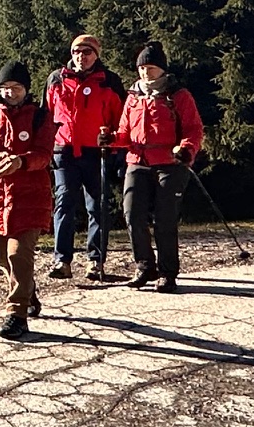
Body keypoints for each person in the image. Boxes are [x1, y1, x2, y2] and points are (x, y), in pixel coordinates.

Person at [99, 41, 205, 293]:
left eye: (151, 67)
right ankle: (145, 266)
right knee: (132, 213)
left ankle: (167, 272)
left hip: (170, 163)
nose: (146, 72)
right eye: (142, 68)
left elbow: (193, 129)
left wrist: (187, 149)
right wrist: (111, 139)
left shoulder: (178, 95)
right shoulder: (133, 96)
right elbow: (125, 132)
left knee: (165, 217)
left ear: (162, 69)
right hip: (137, 161)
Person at [0, 61, 57, 340]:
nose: (10, 92)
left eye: (16, 87)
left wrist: (21, 162)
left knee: (19, 254)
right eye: (5, 87)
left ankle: (17, 314)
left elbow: (44, 154)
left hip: (30, 197)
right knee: (0, 255)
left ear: (26, 89)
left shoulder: (41, 117)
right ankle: (28, 291)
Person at [44, 34, 124, 282]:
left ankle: (95, 261)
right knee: (64, 203)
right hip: (64, 150)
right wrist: (46, 149)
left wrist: (114, 144)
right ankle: (62, 261)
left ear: (96, 55)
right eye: (77, 52)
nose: (82, 57)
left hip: (97, 151)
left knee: (97, 206)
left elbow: (121, 119)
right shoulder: (56, 79)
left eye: (87, 52)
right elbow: (47, 117)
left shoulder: (110, 81)